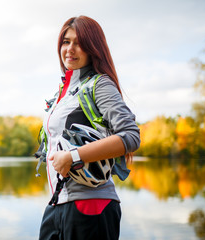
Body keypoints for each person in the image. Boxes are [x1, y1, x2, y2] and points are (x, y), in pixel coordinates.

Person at [38, 16, 140, 240]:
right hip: (57, 204)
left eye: (79, 43)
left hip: (91, 206)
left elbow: (131, 136)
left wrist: (73, 156)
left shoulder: (99, 84)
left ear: (93, 48)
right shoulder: (61, 94)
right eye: (66, 41)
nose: (70, 49)